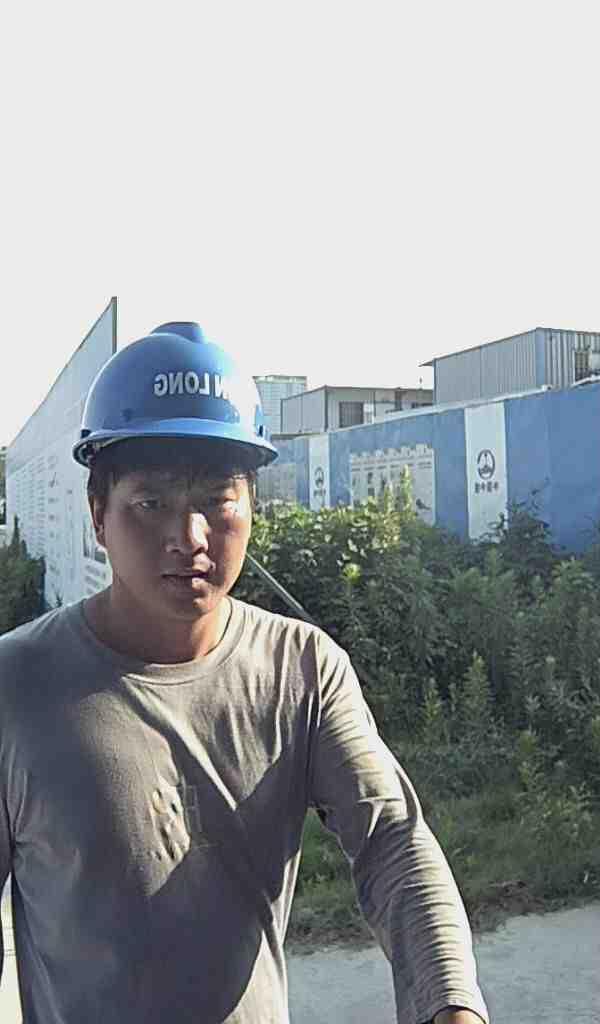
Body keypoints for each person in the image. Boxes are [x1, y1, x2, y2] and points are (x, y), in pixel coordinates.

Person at [0, 322, 489, 1024]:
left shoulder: (302, 670)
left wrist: (452, 1005)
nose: (189, 537)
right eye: (152, 503)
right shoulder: (18, 685)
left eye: (216, 499)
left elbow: (394, 844)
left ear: (252, 506)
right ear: (98, 514)